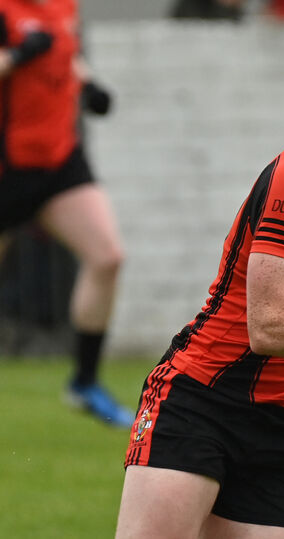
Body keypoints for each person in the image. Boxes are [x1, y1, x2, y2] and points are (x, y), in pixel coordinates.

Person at [0, 0, 131, 427]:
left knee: (107, 256)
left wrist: (89, 85)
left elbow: (65, 53)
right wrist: (17, 56)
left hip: (58, 160)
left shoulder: (62, 6)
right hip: (7, 165)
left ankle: (85, 382)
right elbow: (27, 54)